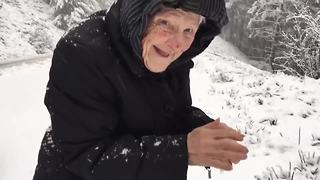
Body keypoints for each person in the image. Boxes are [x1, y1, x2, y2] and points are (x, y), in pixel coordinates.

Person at [33, 0, 249, 180]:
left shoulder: (169, 54)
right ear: (138, 14)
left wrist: (202, 129)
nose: (177, 44)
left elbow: (170, 110)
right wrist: (184, 150)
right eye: (166, 23)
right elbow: (88, 155)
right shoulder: (80, 53)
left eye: (188, 30)